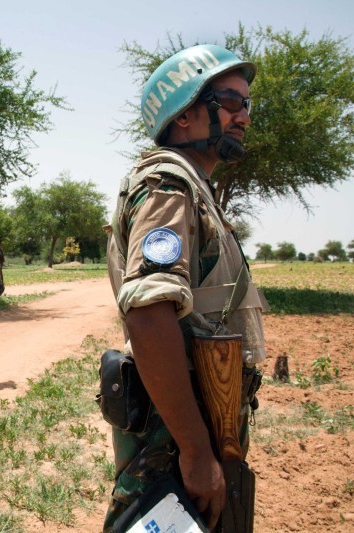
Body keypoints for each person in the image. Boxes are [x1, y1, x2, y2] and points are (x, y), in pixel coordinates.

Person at [104, 44, 267, 530]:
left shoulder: (194, 188)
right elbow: (149, 315)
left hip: (198, 421)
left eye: (247, 105)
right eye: (231, 102)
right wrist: (196, 453)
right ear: (184, 116)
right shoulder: (168, 185)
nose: (244, 117)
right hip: (174, 435)